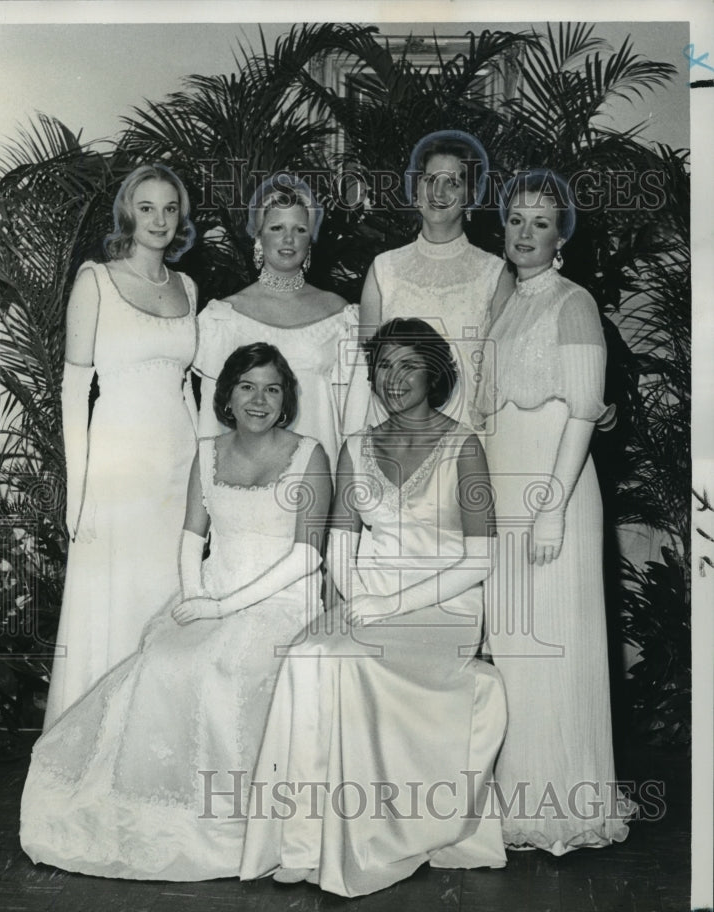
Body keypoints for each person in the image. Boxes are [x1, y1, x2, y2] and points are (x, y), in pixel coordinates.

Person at [20, 343, 331, 880]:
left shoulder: (310, 454)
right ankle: (154, 816)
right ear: (227, 396)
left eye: (272, 389)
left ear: (287, 400)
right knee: (161, 661)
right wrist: (194, 597)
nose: (259, 399)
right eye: (247, 386)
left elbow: (308, 556)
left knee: (222, 670)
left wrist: (224, 606)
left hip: (282, 599)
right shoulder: (208, 451)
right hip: (211, 590)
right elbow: (193, 536)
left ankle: (232, 823)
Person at [239, 319, 507, 898]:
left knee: (339, 662)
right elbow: (340, 543)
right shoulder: (356, 446)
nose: (393, 379)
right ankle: (301, 844)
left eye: (408, 365)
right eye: (383, 367)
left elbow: (481, 560)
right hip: (367, 599)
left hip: (445, 609)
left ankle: (363, 845)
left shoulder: (466, 447)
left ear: (435, 373)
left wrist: (391, 602)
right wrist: (358, 598)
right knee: (307, 653)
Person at [476, 168, 633, 853]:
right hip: (507, 485)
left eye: (541, 223)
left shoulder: (573, 303)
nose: (525, 234)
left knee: (553, 645)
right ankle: (514, 796)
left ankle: (560, 803)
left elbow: (580, 411)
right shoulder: (505, 302)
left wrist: (550, 507)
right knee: (513, 646)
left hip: (553, 490)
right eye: (516, 219)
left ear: (561, 234)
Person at [43, 164, 200, 729]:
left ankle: (153, 739)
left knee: (166, 596)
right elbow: (74, 388)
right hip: (117, 467)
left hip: (176, 466)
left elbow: (188, 391)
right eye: (147, 208)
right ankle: (96, 737)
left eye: (170, 208)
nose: (159, 220)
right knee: (114, 602)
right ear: (127, 214)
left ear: (180, 217)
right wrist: (77, 493)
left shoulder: (189, 287)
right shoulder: (96, 280)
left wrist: (204, 478)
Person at [194, 172, 370, 471]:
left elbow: (354, 415)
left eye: (299, 229)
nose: (289, 239)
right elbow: (212, 421)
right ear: (259, 236)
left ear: (310, 240)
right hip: (247, 474)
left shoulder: (341, 315)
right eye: (277, 227)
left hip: (318, 471)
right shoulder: (224, 316)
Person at [355, 130, 515, 428]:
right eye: (430, 180)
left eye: (452, 182)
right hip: (396, 431)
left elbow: (501, 373)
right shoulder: (383, 269)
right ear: (416, 189)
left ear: (471, 194)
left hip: (467, 433)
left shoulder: (496, 274)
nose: (438, 193)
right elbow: (367, 369)